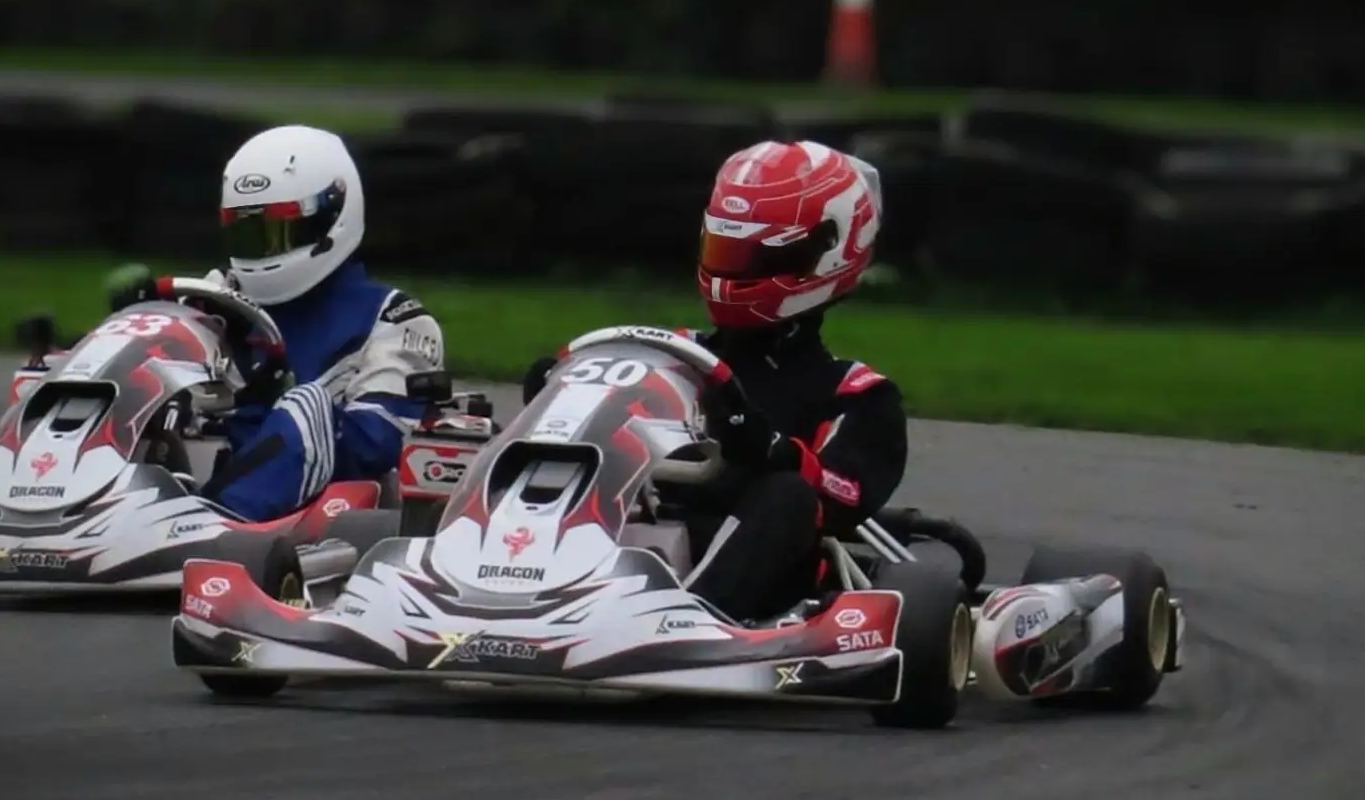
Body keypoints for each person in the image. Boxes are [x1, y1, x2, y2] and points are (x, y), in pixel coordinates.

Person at [523, 139, 908, 625]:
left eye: (757, 258)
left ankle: (680, 623)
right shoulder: (672, 355)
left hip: (758, 567)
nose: (735, 275)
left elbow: (844, 497)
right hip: (631, 533)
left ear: (828, 252)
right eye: (727, 250)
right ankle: (491, 581)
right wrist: (562, 396)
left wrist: (773, 452)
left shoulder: (856, 394)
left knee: (789, 495)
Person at [107, 124, 444, 522]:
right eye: (252, 234)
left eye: (282, 231)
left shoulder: (393, 321)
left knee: (308, 402)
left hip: (325, 518)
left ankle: (213, 522)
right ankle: (62, 510)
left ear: (330, 217)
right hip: (199, 488)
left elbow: (374, 445)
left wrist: (265, 392)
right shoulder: (217, 299)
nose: (266, 252)